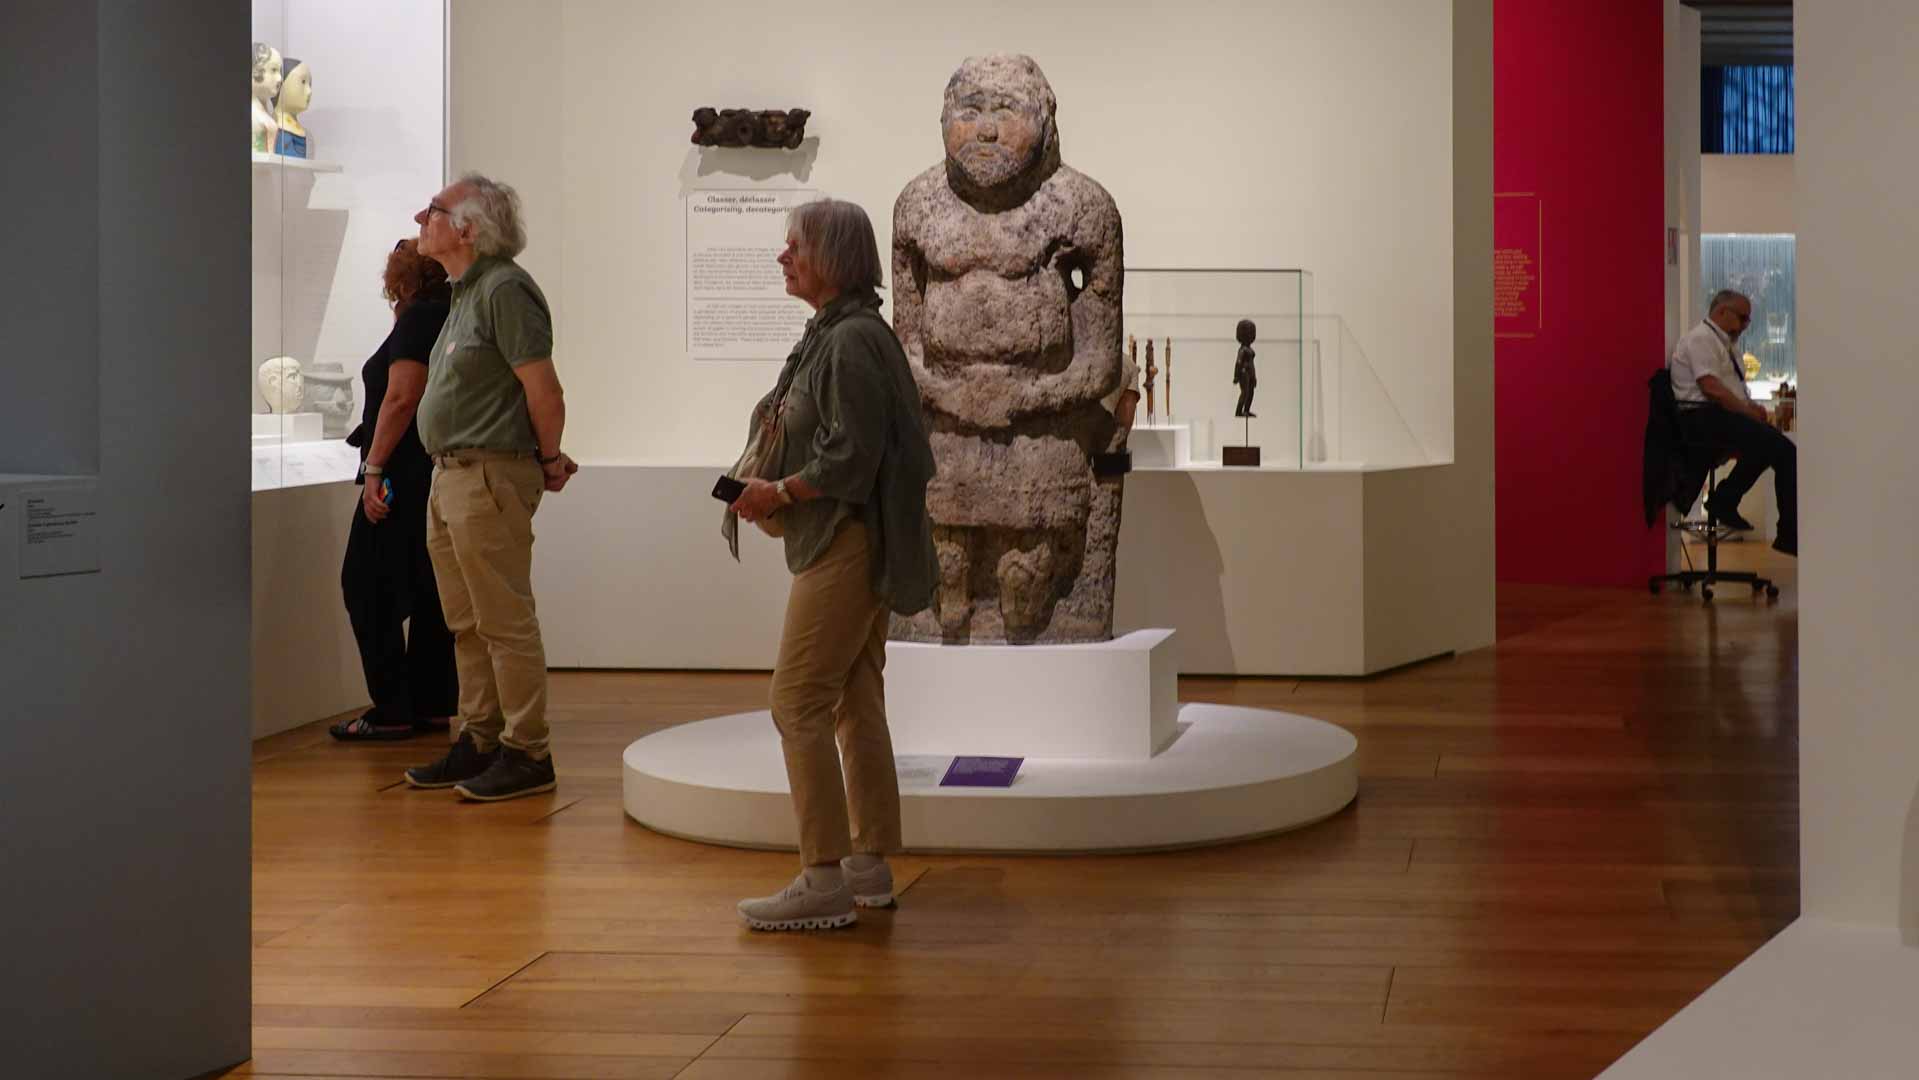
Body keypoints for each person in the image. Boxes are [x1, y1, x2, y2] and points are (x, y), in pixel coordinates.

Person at [728, 198, 939, 931]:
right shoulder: (842, 333)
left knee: (796, 701)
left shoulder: (849, 341)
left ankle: (821, 877)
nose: (782, 257)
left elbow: (849, 456)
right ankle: (867, 865)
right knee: (853, 696)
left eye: (796, 245)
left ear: (835, 258)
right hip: (853, 536)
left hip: (845, 540)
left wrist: (779, 491)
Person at [401, 173, 579, 801]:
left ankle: (528, 751)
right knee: (467, 622)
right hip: (451, 476)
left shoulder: (505, 288)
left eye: (433, 210)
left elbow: (544, 390)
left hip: (486, 474)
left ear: (468, 228)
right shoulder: (466, 292)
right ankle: (481, 739)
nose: (420, 219)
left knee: (503, 620)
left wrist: (548, 458)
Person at [331, 239, 457, 741]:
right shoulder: (450, 313)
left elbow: (402, 397)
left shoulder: (418, 318)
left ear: (401, 281)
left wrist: (375, 468)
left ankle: (393, 707)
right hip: (432, 470)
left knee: (363, 584)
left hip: (400, 475)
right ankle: (430, 704)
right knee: (429, 588)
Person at [1669, 289, 1797, 556]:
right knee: (1782, 450)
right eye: (1742, 317)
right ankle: (1786, 532)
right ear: (1721, 312)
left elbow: (1729, 387)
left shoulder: (1725, 345)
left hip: (1720, 417)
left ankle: (1727, 500)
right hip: (1702, 418)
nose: (1745, 325)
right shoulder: (1701, 339)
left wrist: (1751, 408)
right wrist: (1746, 411)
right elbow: (1711, 387)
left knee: (1777, 448)